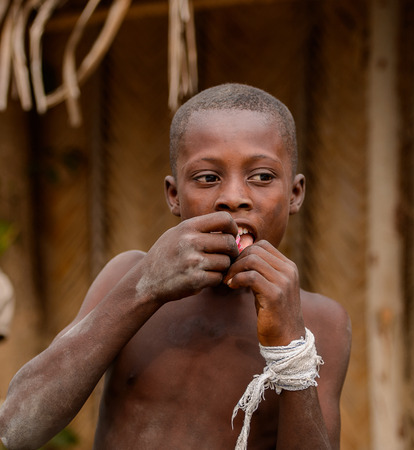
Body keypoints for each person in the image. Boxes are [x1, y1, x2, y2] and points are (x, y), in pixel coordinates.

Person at [0, 83, 351, 450]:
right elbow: (18, 429)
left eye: (262, 176)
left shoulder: (320, 320)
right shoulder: (128, 276)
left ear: (294, 194)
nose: (233, 198)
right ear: (173, 195)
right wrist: (145, 289)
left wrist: (290, 347)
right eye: (207, 178)